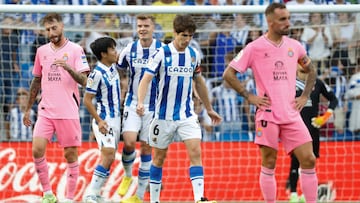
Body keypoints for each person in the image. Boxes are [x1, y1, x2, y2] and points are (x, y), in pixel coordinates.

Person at [223, 3, 318, 203]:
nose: (288, 23)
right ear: (270, 21)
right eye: (283, 19)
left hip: (291, 114)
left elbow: (312, 71)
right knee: (269, 162)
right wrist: (249, 96)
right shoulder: (254, 47)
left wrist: (304, 96)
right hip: (268, 115)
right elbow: (229, 74)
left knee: (309, 159)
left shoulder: (295, 45)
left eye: (288, 18)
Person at [136, 14, 222, 203]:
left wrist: (209, 108)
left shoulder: (193, 55)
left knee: (195, 153)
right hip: (163, 116)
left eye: (190, 36)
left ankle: (200, 199)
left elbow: (199, 83)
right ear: (175, 33)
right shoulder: (161, 53)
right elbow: (145, 80)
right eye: (183, 35)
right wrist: (140, 102)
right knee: (158, 159)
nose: (187, 40)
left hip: (186, 114)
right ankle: (155, 200)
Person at [22, 13, 90, 203]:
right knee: (37, 150)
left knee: (70, 155)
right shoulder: (42, 51)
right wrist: (28, 109)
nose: (51, 33)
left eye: (54, 28)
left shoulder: (76, 50)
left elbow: (85, 81)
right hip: (45, 111)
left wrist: (68, 68)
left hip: (68, 111)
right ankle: (48, 194)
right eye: (47, 30)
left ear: (62, 26)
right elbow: (36, 81)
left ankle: (68, 198)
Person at [116, 14, 164, 203]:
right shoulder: (130, 49)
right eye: (139, 26)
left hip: (153, 106)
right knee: (128, 142)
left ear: (153, 28)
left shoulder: (161, 49)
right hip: (133, 102)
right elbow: (119, 69)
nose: (142, 29)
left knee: (146, 148)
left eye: (146, 25)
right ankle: (128, 175)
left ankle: (138, 196)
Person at [287, 67, 338, 202]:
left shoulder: (317, 83)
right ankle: (292, 195)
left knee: (310, 162)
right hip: (295, 128)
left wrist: (325, 116)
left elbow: (334, 99)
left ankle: (305, 195)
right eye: (301, 70)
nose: (304, 72)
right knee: (295, 162)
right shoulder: (289, 83)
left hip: (313, 129)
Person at [83, 37, 121, 203]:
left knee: (110, 157)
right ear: (103, 54)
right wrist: (99, 120)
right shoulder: (96, 74)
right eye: (112, 49)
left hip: (117, 119)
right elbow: (87, 99)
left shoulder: (113, 67)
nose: (115, 52)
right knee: (108, 154)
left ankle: (97, 194)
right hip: (104, 120)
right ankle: (91, 193)